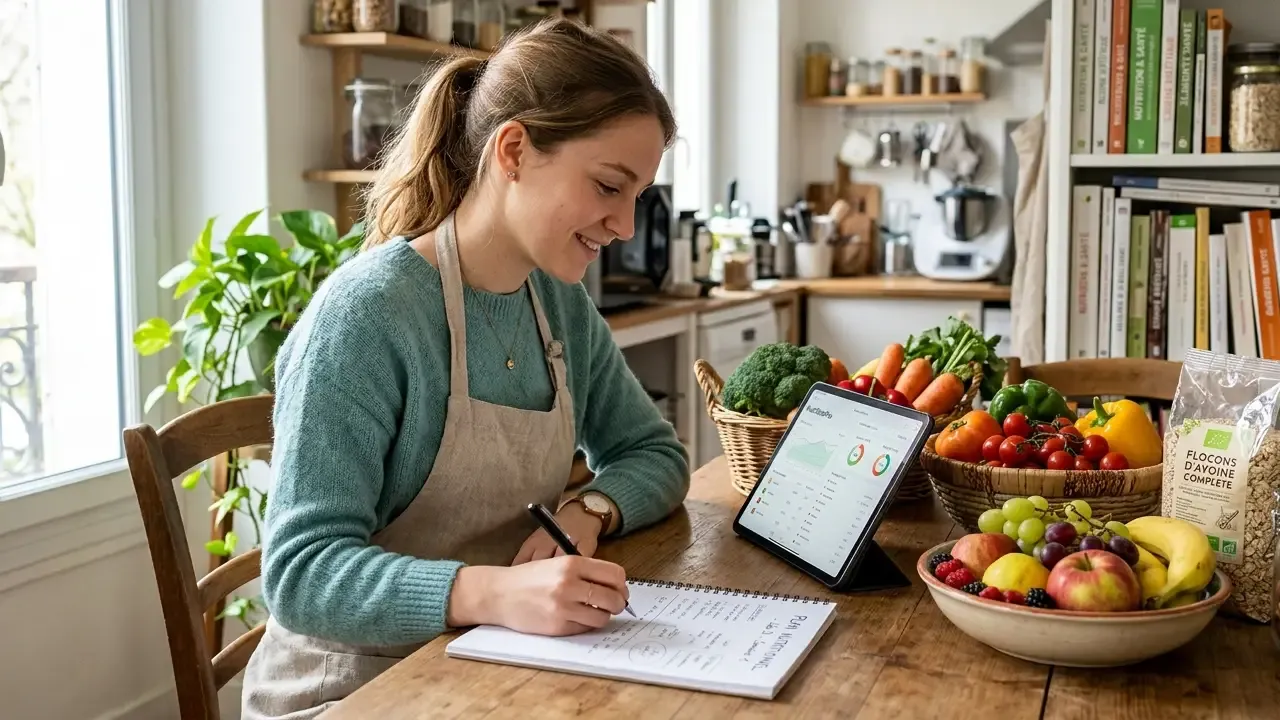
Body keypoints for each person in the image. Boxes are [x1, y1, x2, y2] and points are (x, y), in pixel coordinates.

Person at [241, 18, 689, 718]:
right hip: (351, 690)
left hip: (494, 667)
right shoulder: (368, 315)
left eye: (638, 198)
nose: (626, 226)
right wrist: (491, 593)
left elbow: (653, 452)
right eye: (608, 187)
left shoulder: (558, 303)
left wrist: (589, 509)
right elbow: (300, 574)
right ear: (514, 149)